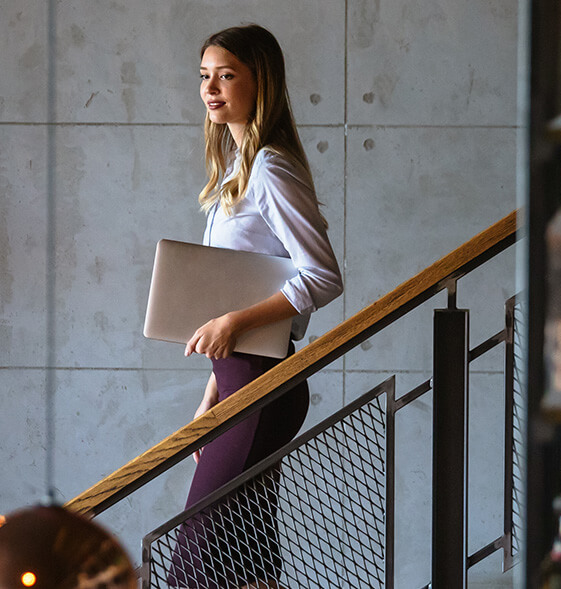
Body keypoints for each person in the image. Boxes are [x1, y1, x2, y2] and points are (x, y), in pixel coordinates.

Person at [169, 24, 343, 588]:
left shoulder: (271, 167)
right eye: (204, 76)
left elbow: (322, 275)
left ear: (259, 80)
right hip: (238, 382)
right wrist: (209, 400)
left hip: (264, 383)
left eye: (226, 75)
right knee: (248, 559)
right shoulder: (234, 175)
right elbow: (235, 291)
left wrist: (234, 323)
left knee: (198, 556)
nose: (211, 88)